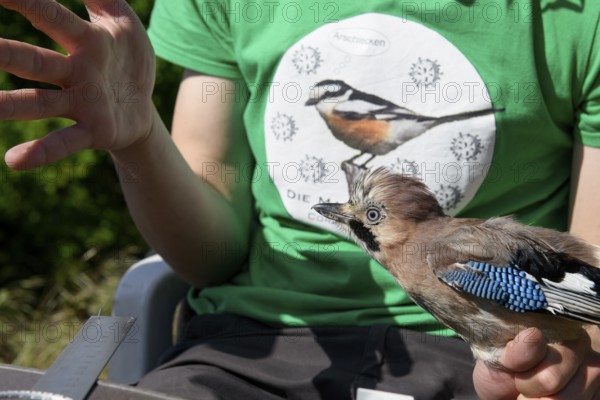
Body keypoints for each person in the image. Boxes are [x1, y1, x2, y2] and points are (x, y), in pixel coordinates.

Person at [1, 0, 599, 399]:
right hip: (251, 348)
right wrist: (139, 140)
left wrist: (571, 368)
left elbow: (581, 281)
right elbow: (210, 253)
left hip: (470, 367)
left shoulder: (579, 16)